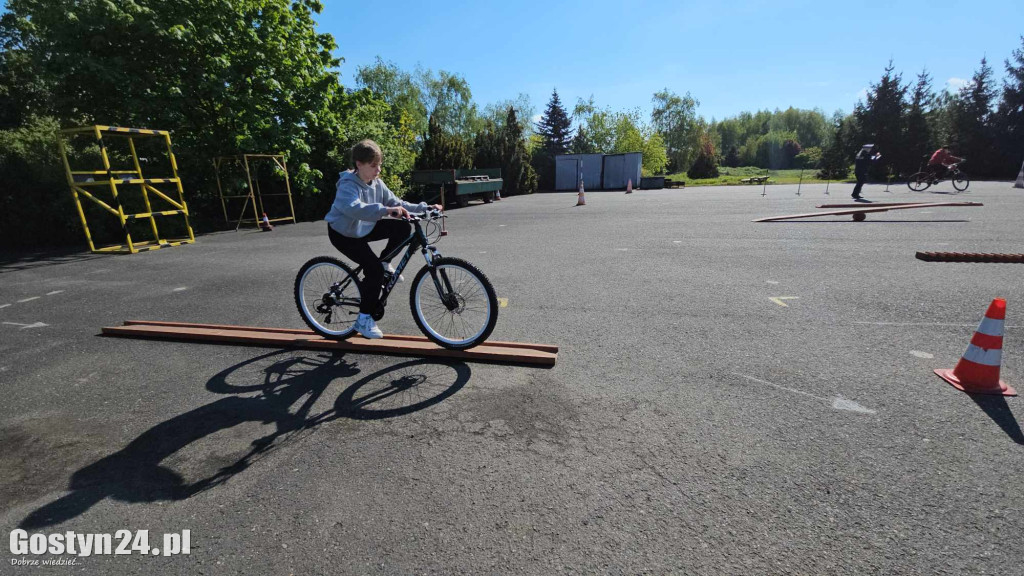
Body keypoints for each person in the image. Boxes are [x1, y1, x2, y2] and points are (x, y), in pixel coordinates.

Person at [325, 140, 442, 339]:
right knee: (374, 271)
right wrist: (386, 210)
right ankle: (363, 319)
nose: (378, 170)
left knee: (403, 227)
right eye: (373, 165)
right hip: (344, 234)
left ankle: (385, 262)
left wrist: (425, 208)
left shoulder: (377, 183)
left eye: (379, 165)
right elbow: (354, 208)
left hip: (364, 227)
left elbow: (398, 203)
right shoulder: (347, 185)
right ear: (359, 164)